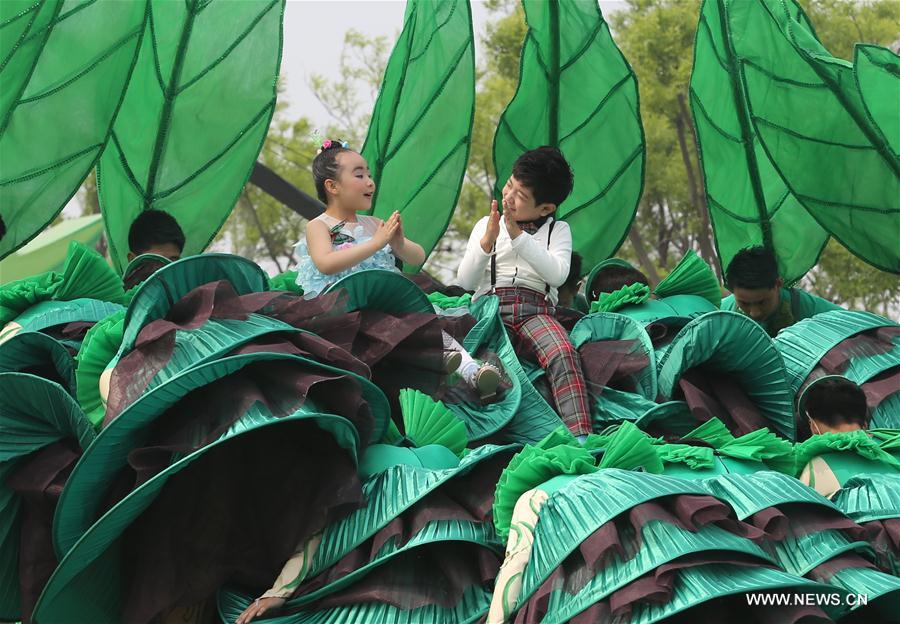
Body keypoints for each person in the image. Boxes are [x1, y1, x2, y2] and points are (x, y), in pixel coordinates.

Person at [294, 139, 500, 398]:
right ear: (332, 186)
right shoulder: (319, 226)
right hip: (343, 313)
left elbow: (417, 254)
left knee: (424, 319)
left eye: (369, 174)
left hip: (386, 304)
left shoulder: (374, 224)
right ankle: (441, 359)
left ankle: (473, 372)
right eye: (359, 175)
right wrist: (377, 243)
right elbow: (325, 263)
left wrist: (398, 241)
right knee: (395, 327)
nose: (370, 181)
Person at [456, 147, 591, 437]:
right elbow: (466, 281)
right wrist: (487, 242)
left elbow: (557, 274)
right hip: (489, 306)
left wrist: (518, 238)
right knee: (483, 357)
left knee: (563, 352)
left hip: (535, 310)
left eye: (520, 195)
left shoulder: (559, 230)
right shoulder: (485, 224)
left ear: (546, 209)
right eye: (509, 185)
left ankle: (580, 435)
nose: (508, 197)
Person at [722, 246, 840, 337]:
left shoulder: (811, 310)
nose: (755, 313)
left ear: (778, 284)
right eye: (744, 303)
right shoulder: (719, 315)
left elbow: (855, 326)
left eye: (762, 302)